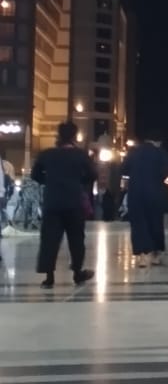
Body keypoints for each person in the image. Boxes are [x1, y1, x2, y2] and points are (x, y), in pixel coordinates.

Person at [32, 122, 95, 289]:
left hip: (52, 202)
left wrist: (49, 182)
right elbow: (92, 175)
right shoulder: (80, 155)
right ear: (74, 136)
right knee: (76, 239)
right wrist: (78, 182)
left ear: (58, 136)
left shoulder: (47, 154)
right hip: (73, 202)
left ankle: (49, 277)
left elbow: (35, 175)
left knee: (49, 239)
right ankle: (77, 273)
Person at [122, 135, 168, 268]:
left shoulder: (133, 152)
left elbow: (124, 169)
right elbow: (167, 170)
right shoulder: (160, 152)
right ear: (158, 141)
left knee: (138, 224)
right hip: (155, 193)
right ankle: (156, 255)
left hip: (136, 193)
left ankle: (142, 256)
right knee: (155, 223)